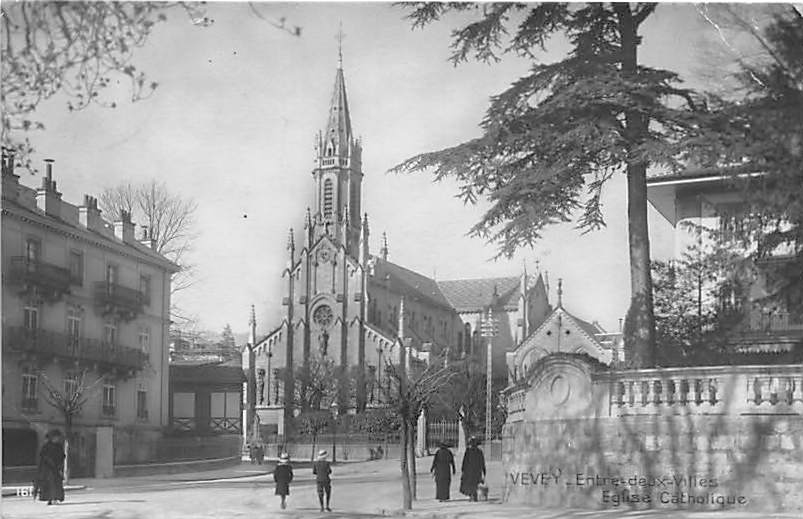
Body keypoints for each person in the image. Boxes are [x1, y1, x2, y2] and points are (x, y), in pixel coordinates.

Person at [35, 430, 65, 505]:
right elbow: (43, 456)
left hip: (56, 468)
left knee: (56, 484)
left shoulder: (59, 446)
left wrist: (59, 465)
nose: (57, 439)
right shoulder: (46, 446)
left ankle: (55, 498)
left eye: (58, 438)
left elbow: (62, 456)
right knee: (49, 484)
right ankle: (49, 499)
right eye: (55, 437)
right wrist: (49, 462)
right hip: (48, 469)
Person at [459, 437, 486, 502]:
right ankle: (474, 496)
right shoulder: (479, 451)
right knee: (475, 483)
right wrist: (484, 470)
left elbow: (465, 461)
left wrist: (463, 469)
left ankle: (471, 495)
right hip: (477, 470)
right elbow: (482, 462)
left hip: (469, 470)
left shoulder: (468, 451)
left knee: (470, 484)